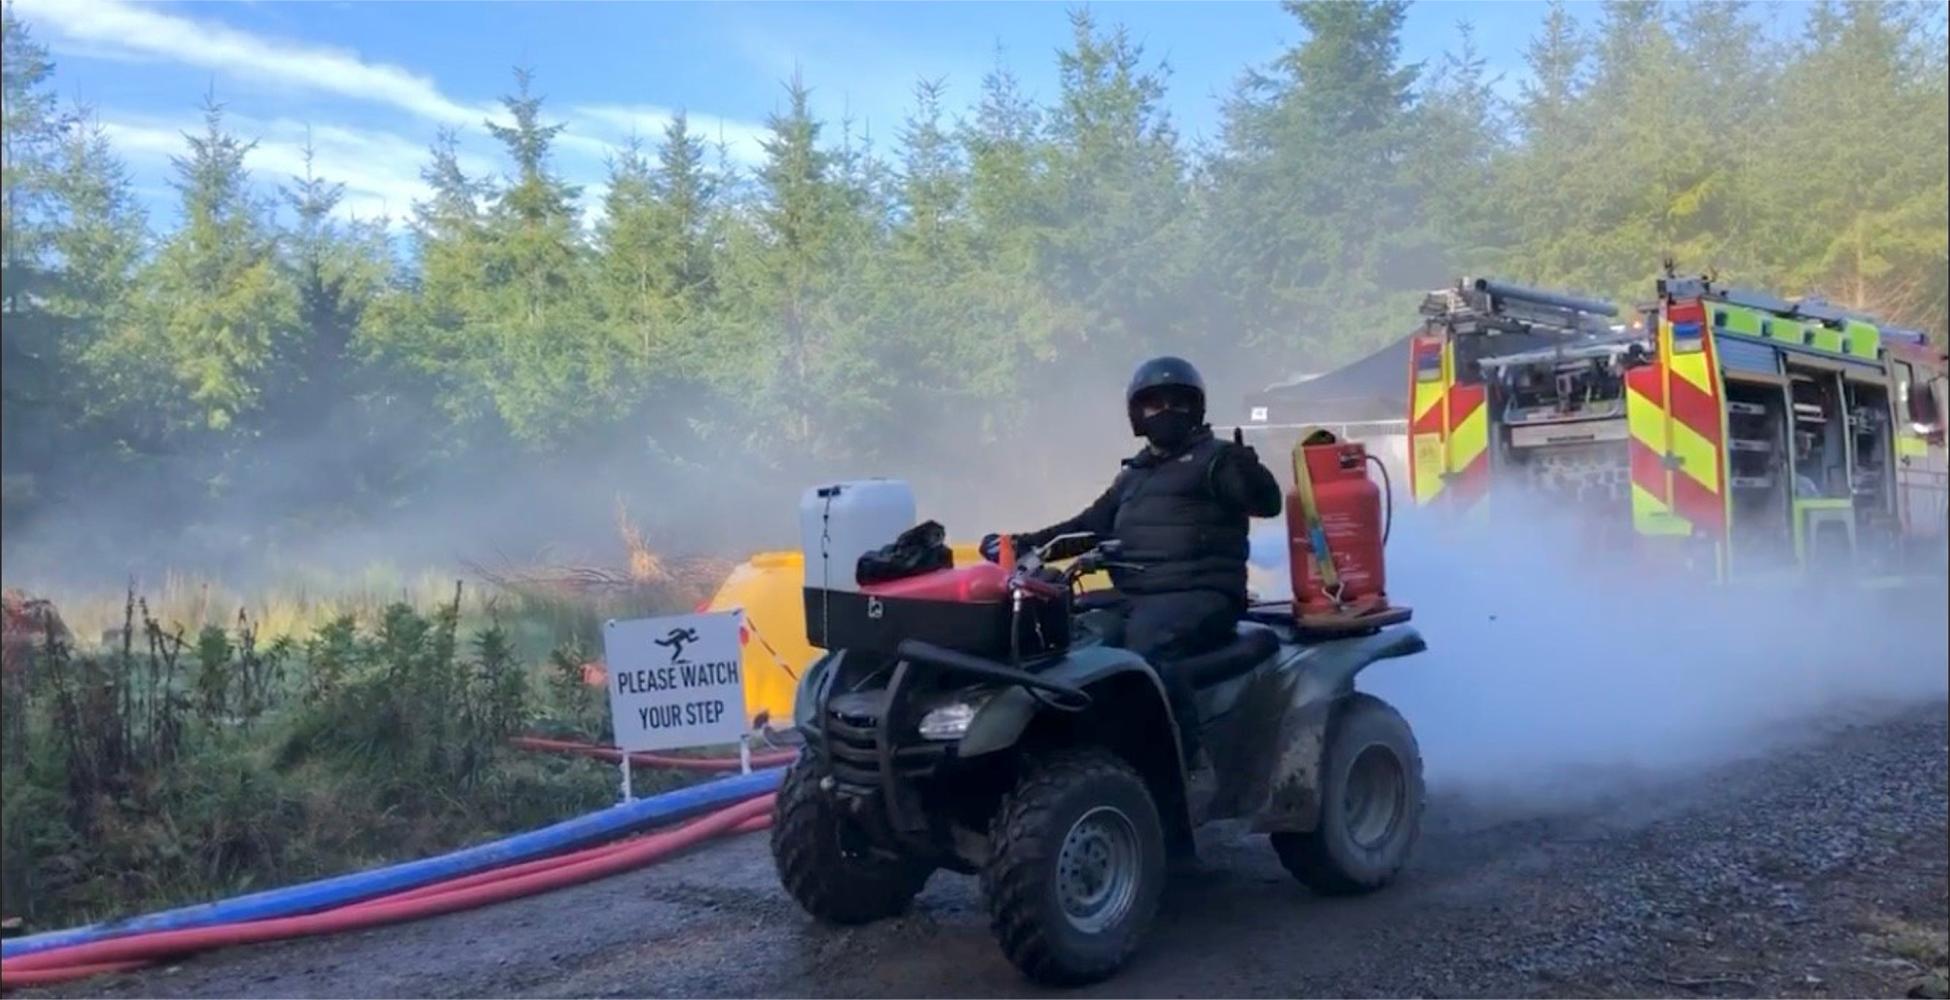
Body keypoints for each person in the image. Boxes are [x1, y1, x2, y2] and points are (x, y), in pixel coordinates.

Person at [981, 356, 1283, 767]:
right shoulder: (1133, 476)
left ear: (1195, 409)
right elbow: (1088, 526)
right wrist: (1023, 545)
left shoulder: (1219, 459)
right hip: (1134, 595)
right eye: (1154, 404)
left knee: (1144, 652)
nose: (1166, 412)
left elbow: (1266, 503)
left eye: (1177, 402)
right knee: (1059, 640)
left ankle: (1187, 766)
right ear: (1137, 415)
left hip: (1201, 594)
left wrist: (1251, 474)